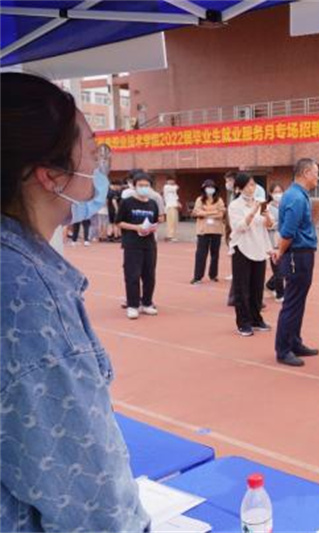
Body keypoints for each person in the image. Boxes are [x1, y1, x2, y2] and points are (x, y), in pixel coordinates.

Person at [0, 72, 149, 532]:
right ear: (50, 175)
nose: (99, 160)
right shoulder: (28, 300)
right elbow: (96, 507)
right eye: (90, 146)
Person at [273, 158, 319, 367]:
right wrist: (280, 251)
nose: (318, 177)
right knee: (292, 302)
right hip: (297, 255)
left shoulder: (299, 195)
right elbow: (288, 232)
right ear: (306, 172)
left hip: (303, 253)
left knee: (298, 301)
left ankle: (294, 342)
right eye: (316, 173)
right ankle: (283, 349)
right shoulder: (296, 197)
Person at [228, 173, 273, 336]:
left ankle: (256, 319)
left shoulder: (260, 203)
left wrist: (267, 215)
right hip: (242, 248)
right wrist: (253, 211)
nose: (251, 188)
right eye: (248, 185)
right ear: (239, 188)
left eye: (253, 184)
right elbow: (239, 227)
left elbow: (269, 225)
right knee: (242, 287)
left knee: (257, 287)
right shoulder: (234, 205)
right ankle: (243, 322)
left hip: (259, 247)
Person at [116, 171, 160, 319]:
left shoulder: (152, 203)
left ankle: (147, 303)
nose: (144, 188)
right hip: (132, 244)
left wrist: (151, 228)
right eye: (141, 185)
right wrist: (136, 228)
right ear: (134, 186)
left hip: (149, 244)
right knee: (132, 275)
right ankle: (133, 305)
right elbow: (119, 222)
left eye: (147, 185)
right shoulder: (127, 202)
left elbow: (155, 221)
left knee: (149, 276)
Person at [191, 179, 226, 284]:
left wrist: (205, 212)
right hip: (203, 230)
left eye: (212, 187)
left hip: (216, 230)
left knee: (215, 254)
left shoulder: (219, 200)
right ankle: (198, 276)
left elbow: (221, 214)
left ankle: (213, 275)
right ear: (204, 188)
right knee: (201, 254)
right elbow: (197, 212)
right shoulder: (199, 200)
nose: (210, 189)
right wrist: (213, 212)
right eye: (208, 187)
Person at [265, 182, 286, 302]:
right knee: (278, 268)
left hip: (285, 240)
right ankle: (280, 294)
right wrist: (282, 224)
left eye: (280, 192)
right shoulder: (267, 208)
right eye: (275, 192)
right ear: (271, 194)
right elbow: (269, 225)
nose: (278, 194)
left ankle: (270, 285)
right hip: (273, 240)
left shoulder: (286, 205)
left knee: (285, 267)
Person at [163, 177, 181, 241]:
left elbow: (176, 197)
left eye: (172, 180)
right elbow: (176, 187)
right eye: (170, 180)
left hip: (174, 206)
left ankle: (174, 235)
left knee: (175, 222)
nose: (171, 182)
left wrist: (178, 203)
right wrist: (174, 185)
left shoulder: (173, 189)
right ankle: (170, 235)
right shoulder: (166, 187)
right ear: (167, 181)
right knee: (171, 222)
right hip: (170, 207)